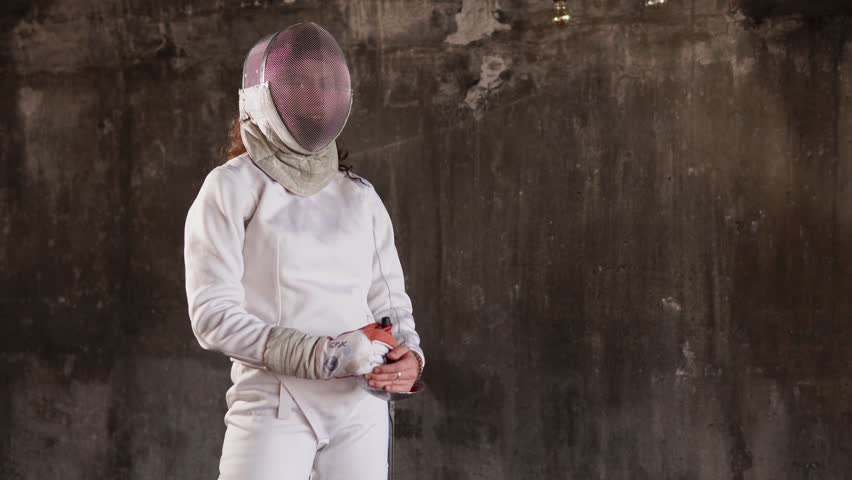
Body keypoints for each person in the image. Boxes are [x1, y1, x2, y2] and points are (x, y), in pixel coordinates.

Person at [183, 22, 425, 480]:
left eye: (326, 81)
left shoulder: (360, 196)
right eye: (299, 82)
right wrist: (322, 355)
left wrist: (409, 358)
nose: (316, 93)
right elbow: (212, 315)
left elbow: (391, 305)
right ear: (264, 94)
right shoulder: (230, 188)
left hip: (361, 406)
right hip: (275, 403)